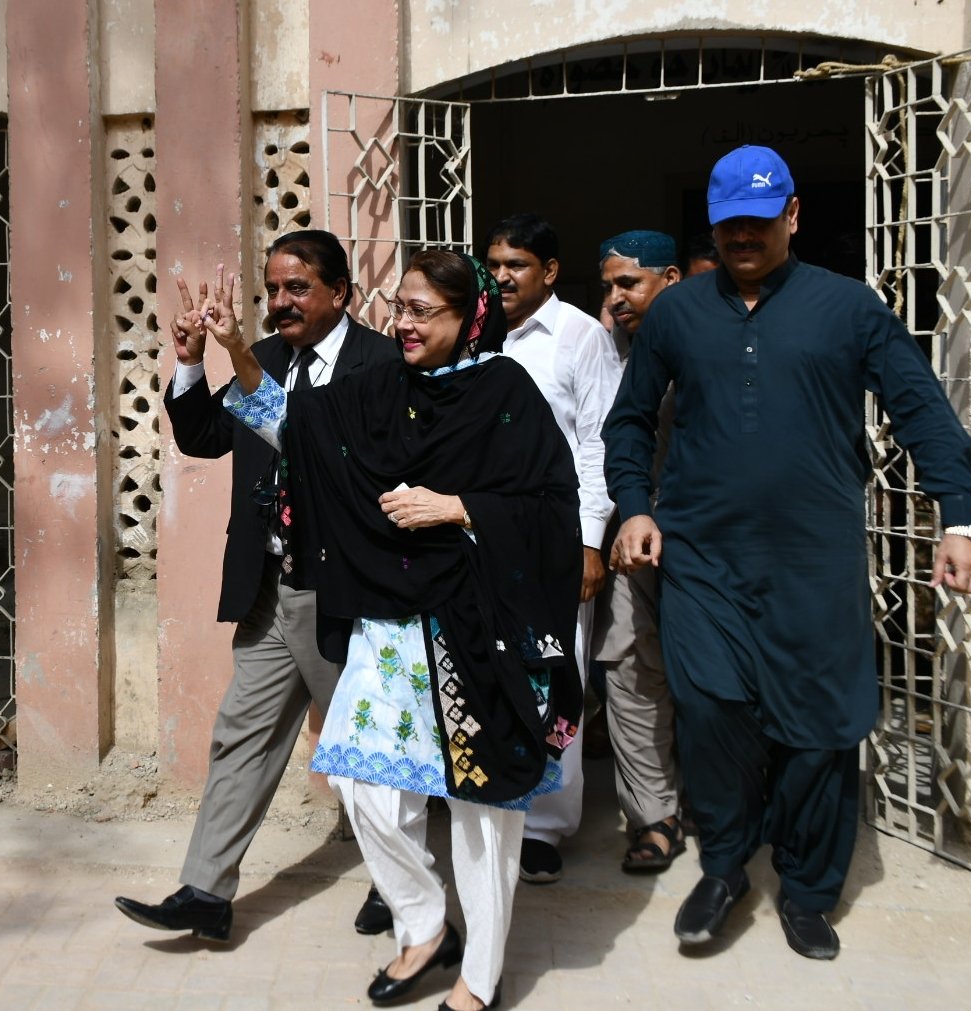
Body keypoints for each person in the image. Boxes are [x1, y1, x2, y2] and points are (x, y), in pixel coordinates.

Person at [602, 145, 971, 960]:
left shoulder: (847, 308)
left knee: (818, 729)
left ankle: (807, 889)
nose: (744, 235)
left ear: (792, 215)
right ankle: (725, 865)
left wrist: (958, 518)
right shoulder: (675, 313)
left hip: (813, 561)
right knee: (711, 713)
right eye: (729, 223)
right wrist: (634, 507)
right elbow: (630, 419)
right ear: (712, 224)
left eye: (759, 219)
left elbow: (920, 409)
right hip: (702, 557)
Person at [214, 250, 583, 1011]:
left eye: (424, 312)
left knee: (483, 811)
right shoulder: (377, 389)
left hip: (480, 628)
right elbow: (295, 429)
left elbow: (551, 506)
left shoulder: (505, 393)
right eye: (401, 307)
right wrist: (235, 352)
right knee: (361, 783)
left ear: (468, 318)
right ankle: (423, 923)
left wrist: (461, 506)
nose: (403, 324)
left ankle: (480, 976)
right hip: (391, 624)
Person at [114, 230, 398, 942]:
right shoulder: (266, 357)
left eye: (297, 287)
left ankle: (403, 887)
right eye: (272, 289)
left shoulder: (379, 364)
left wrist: (236, 355)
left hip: (344, 594)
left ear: (342, 293)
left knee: (369, 751)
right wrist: (187, 362)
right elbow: (206, 436)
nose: (280, 303)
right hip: (269, 587)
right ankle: (205, 891)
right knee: (240, 736)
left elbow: (304, 438)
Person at [485, 213, 620, 884]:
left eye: (515, 264)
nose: (502, 276)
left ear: (549, 271)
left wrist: (591, 540)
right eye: (495, 263)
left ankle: (543, 825)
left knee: (554, 680)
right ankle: (492, 801)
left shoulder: (580, 336)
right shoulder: (476, 328)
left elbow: (597, 439)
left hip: (553, 538)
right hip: (477, 531)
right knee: (488, 672)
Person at [591, 230, 685, 875]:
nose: (617, 298)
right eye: (609, 287)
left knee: (711, 675)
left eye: (629, 283)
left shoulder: (716, 342)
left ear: (671, 279)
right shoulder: (603, 349)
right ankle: (655, 817)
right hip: (626, 540)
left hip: (706, 542)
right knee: (628, 668)